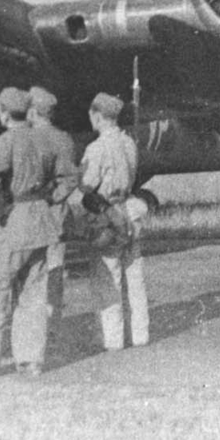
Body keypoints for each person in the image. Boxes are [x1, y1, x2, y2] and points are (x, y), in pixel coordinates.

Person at [0, 87, 77, 378]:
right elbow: (69, 178)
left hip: (13, 222)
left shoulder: (3, 142)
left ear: (2, 111)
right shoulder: (46, 140)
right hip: (41, 221)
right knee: (33, 293)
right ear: (27, 110)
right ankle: (30, 360)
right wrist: (51, 198)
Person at [81, 92, 149, 351]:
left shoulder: (97, 148)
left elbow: (86, 185)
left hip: (107, 216)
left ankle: (114, 340)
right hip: (130, 212)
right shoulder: (129, 143)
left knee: (108, 279)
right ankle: (141, 336)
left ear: (98, 116)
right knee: (135, 277)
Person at [26, 87, 77, 328]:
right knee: (54, 273)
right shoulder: (64, 138)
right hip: (56, 216)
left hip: (29, 215)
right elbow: (71, 180)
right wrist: (54, 199)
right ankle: (52, 328)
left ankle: (31, 329)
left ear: (33, 112)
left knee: (29, 274)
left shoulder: (23, 139)